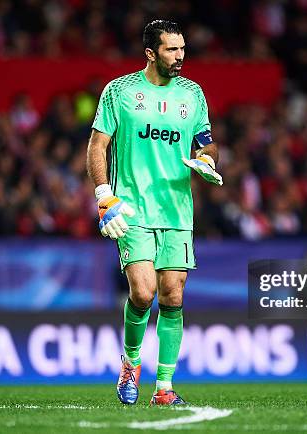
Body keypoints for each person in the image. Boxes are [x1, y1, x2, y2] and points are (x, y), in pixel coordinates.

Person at [86, 20, 222, 405]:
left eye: (182, 49)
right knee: (144, 294)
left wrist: (206, 162)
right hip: (131, 207)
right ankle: (130, 363)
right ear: (150, 53)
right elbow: (98, 147)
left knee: (173, 295)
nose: (180, 57)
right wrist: (103, 196)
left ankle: (164, 388)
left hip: (177, 210)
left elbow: (207, 145)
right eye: (171, 50)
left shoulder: (193, 94)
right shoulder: (120, 92)